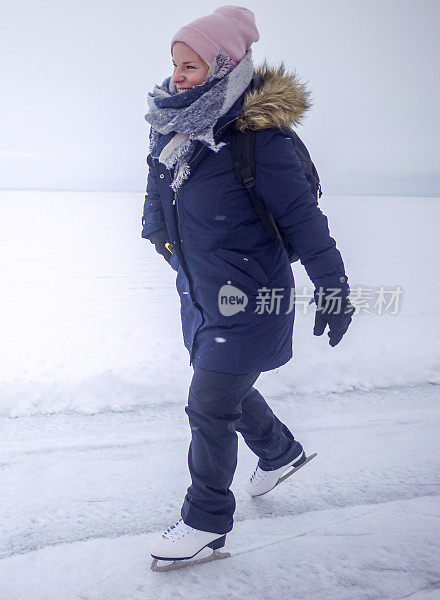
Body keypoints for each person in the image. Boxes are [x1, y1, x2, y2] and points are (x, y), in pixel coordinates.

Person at [141, 5, 354, 563]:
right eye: (175, 65)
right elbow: (157, 205)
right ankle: (280, 452)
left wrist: (332, 285)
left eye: (190, 66)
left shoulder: (261, 140)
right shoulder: (175, 130)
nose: (178, 76)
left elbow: (305, 222)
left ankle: (205, 520)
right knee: (225, 388)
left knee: (209, 404)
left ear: (223, 65)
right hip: (202, 296)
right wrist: (164, 242)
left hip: (255, 299)